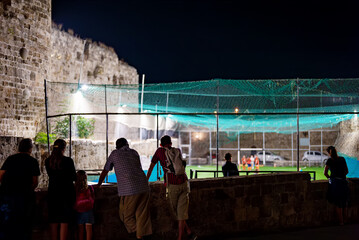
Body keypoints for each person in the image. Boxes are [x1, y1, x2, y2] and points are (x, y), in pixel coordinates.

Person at [97, 138, 152, 240]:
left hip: (130, 189)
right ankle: (140, 235)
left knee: (125, 216)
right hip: (144, 186)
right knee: (142, 215)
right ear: (127, 144)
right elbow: (137, 168)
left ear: (117, 146)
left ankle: (138, 234)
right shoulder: (134, 152)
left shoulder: (115, 153)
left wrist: (99, 184)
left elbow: (105, 170)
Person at [146, 135, 197, 240]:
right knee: (181, 213)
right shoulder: (177, 150)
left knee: (176, 212)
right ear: (171, 143)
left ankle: (180, 237)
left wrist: (146, 180)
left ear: (161, 144)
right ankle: (188, 231)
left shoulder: (159, 151)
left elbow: (151, 166)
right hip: (183, 183)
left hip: (172, 185)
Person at [0, 138, 40, 240]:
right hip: (25, 197)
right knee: (24, 224)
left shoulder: (10, 159)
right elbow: (35, 181)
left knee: (8, 223)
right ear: (30, 148)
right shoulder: (33, 161)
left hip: (8, 195)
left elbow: (1, 175)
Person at [45, 139, 76, 240]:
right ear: (64, 148)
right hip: (66, 193)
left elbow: (51, 175)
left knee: (53, 220)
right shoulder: (68, 161)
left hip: (53, 192)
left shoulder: (48, 161)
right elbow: (73, 177)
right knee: (64, 220)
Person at [324, 146, 349, 225]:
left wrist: (330, 178)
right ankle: (345, 220)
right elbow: (346, 171)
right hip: (344, 182)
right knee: (344, 202)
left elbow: (325, 173)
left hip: (335, 183)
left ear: (329, 153)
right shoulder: (342, 159)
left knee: (338, 203)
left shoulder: (330, 160)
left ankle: (341, 222)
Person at [74, 170, 94, 240]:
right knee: (89, 229)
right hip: (88, 210)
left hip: (79, 210)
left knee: (80, 230)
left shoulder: (74, 188)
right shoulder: (90, 188)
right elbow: (93, 197)